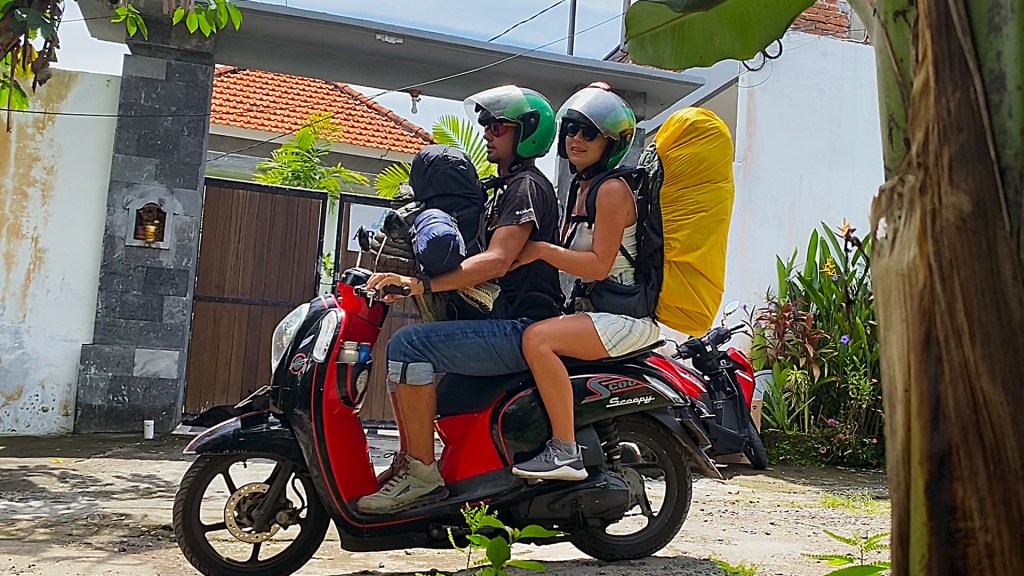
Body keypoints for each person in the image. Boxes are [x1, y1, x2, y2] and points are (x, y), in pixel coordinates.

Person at [356, 85, 563, 514]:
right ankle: (415, 464)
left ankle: (420, 475)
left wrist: (420, 287)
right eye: (486, 123)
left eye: (499, 125)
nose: (488, 132)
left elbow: (498, 261)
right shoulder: (502, 187)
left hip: (522, 325)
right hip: (504, 320)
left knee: (408, 346)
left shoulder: (526, 187)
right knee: (439, 392)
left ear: (527, 133)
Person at [509, 83, 661, 481]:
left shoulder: (611, 190)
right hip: (595, 308)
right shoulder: (580, 186)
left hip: (623, 313)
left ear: (610, 144)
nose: (576, 139)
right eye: (572, 129)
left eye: (589, 132)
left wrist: (540, 251)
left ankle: (565, 451)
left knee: (537, 339)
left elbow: (596, 265)